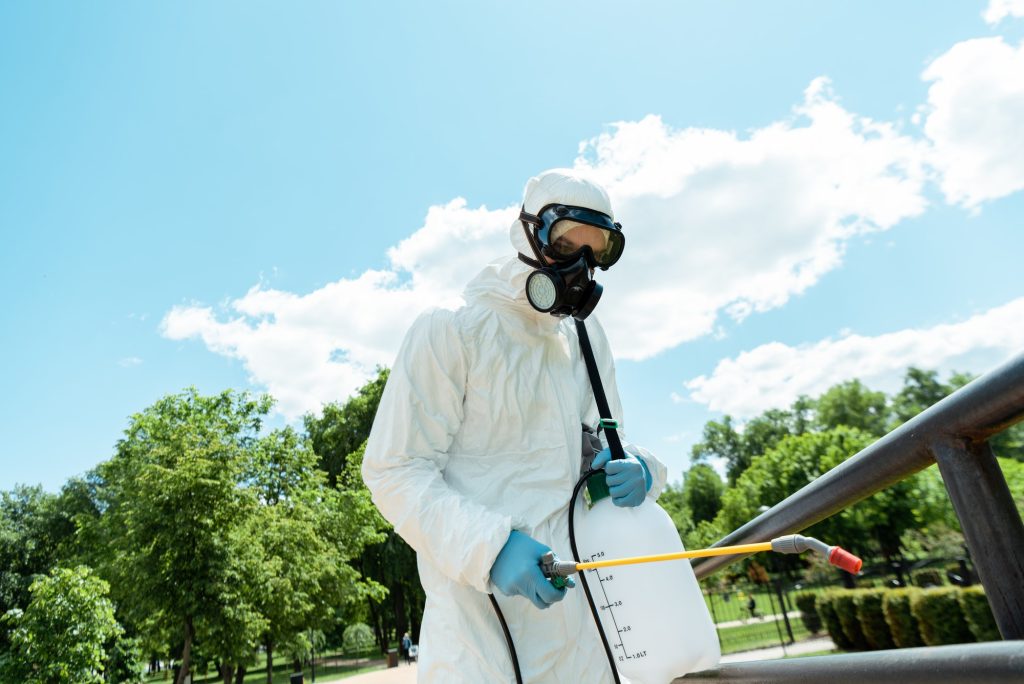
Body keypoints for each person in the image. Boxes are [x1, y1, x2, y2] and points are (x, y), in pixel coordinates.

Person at [362, 168, 667, 682]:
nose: (579, 268)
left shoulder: (587, 343)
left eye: (594, 254)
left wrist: (643, 469)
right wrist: (491, 546)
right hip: (478, 641)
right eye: (566, 245)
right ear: (527, 234)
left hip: (585, 636)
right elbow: (394, 470)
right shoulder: (451, 330)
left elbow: (597, 456)